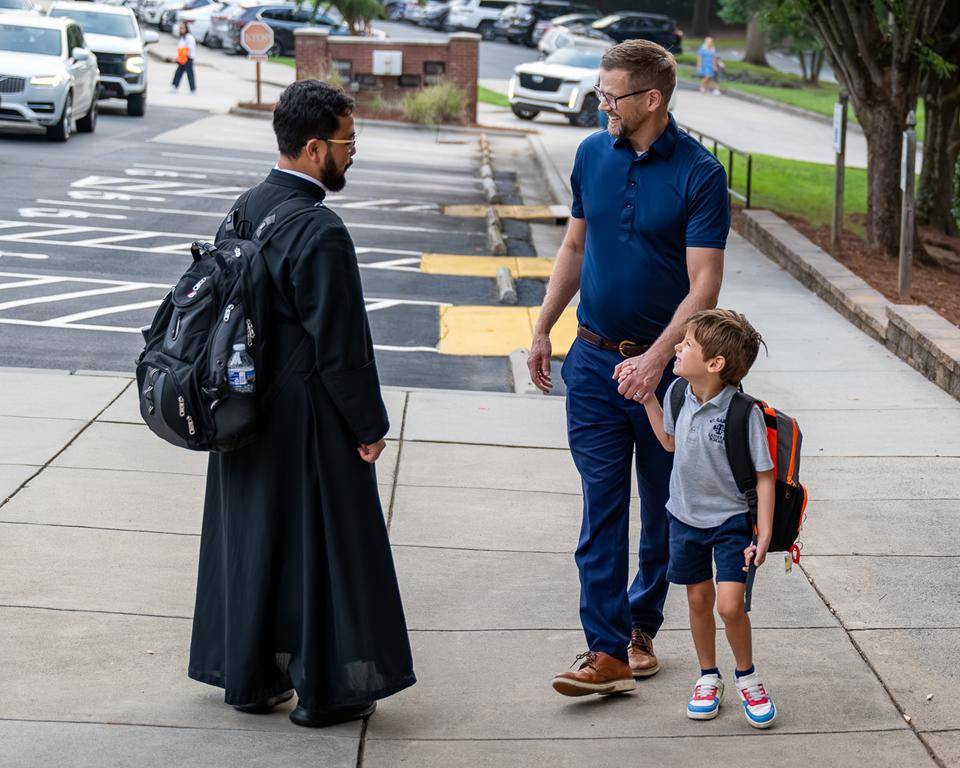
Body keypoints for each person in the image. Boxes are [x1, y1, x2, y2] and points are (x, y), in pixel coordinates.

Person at [188, 80, 416, 728]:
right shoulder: (320, 229)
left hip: (242, 409)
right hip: (307, 418)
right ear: (314, 148)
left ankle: (252, 682)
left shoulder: (245, 207)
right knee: (325, 551)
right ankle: (327, 693)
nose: (353, 152)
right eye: (347, 141)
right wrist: (368, 425)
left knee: (255, 543)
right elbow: (341, 347)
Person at [530, 38, 729, 698]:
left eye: (611, 96)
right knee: (602, 507)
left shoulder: (700, 174)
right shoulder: (592, 154)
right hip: (591, 363)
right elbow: (574, 244)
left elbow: (704, 286)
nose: (602, 106)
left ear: (651, 99)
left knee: (666, 509)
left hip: (669, 376)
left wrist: (655, 359)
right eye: (600, 93)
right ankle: (606, 649)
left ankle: (642, 627)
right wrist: (543, 326)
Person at [631, 308, 777, 728]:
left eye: (687, 344)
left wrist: (763, 533)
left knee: (730, 607)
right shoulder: (677, 393)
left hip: (731, 522)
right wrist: (648, 399)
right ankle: (708, 676)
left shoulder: (743, 413)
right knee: (698, 600)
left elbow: (764, 476)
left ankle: (747, 677)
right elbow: (670, 442)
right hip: (684, 518)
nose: (677, 347)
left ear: (715, 364)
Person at [171, 22, 197, 94]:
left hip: (188, 58)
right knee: (178, 72)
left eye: (183, 28)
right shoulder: (182, 37)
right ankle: (175, 86)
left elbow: (190, 48)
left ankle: (193, 89)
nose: (181, 30)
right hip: (182, 58)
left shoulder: (189, 37)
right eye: (180, 28)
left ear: (186, 29)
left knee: (189, 74)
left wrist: (185, 53)